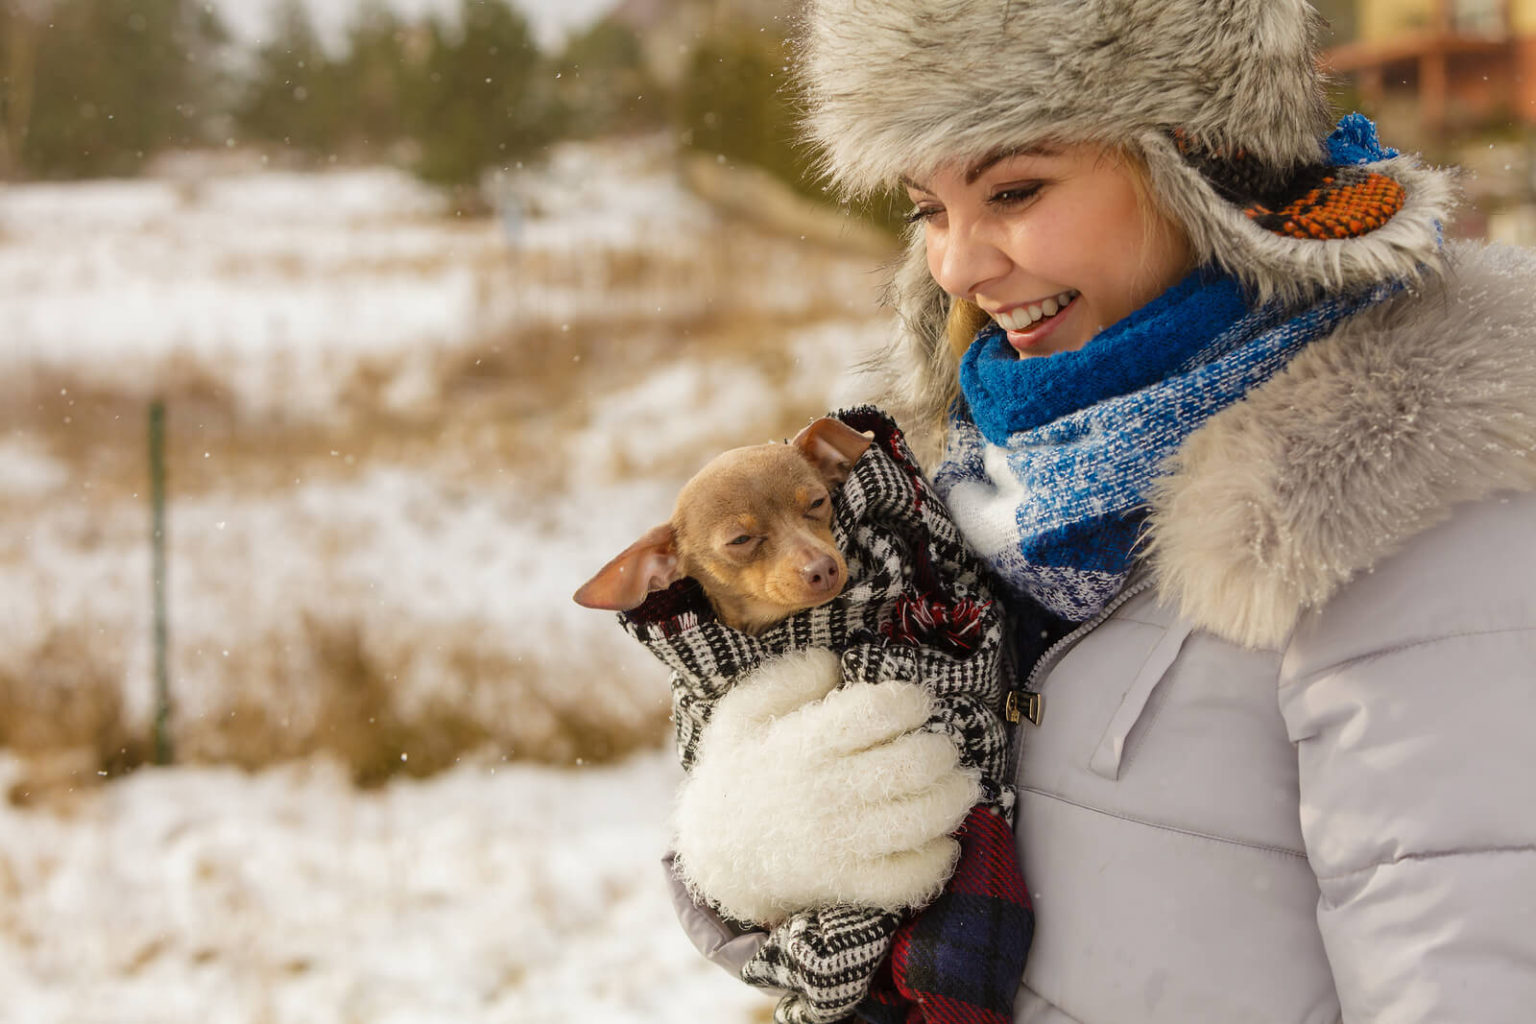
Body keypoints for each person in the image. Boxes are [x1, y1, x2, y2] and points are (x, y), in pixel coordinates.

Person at [667, 1, 1536, 1022]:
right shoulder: (973, 484)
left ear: (1201, 161)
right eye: (927, 209)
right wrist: (749, 839)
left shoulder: (1401, 497)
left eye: (1016, 189)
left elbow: (1466, 968)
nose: (956, 264)